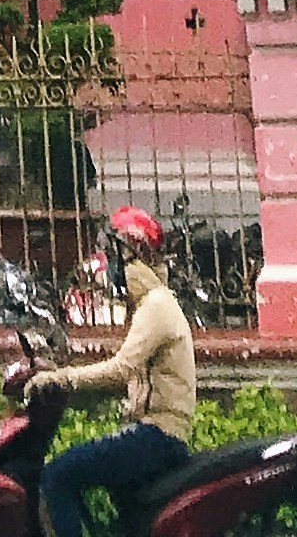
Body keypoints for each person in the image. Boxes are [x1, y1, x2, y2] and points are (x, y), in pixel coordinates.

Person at [24, 211, 198, 537]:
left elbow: (121, 368)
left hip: (158, 436)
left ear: (135, 255)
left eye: (117, 254)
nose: (111, 264)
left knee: (57, 476)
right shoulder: (150, 303)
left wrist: (63, 378)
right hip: (156, 433)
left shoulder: (156, 306)